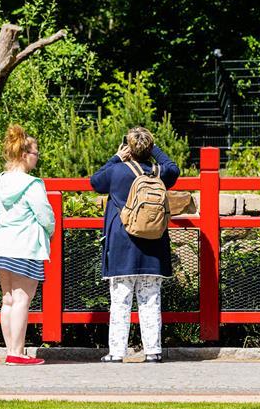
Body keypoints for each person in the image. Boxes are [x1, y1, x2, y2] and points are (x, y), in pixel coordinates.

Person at [91, 127, 180, 363]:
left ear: (128, 147)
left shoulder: (117, 171)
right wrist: (154, 150)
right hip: (154, 245)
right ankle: (153, 350)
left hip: (122, 244)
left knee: (120, 300)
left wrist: (117, 157)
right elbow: (174, 167)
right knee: (150, 299)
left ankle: (117, 352)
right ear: (150, 148)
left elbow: (95, 181)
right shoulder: (160, 173)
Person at [0, 124, 55, 366]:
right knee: (22, 299)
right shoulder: (32, 185)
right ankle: (17, 352)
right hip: (24, 247)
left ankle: (11, 350)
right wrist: (51, 232)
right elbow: (45, 217)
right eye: (36, 153)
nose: (37, 158)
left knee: (8, 300)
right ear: (25, 155)